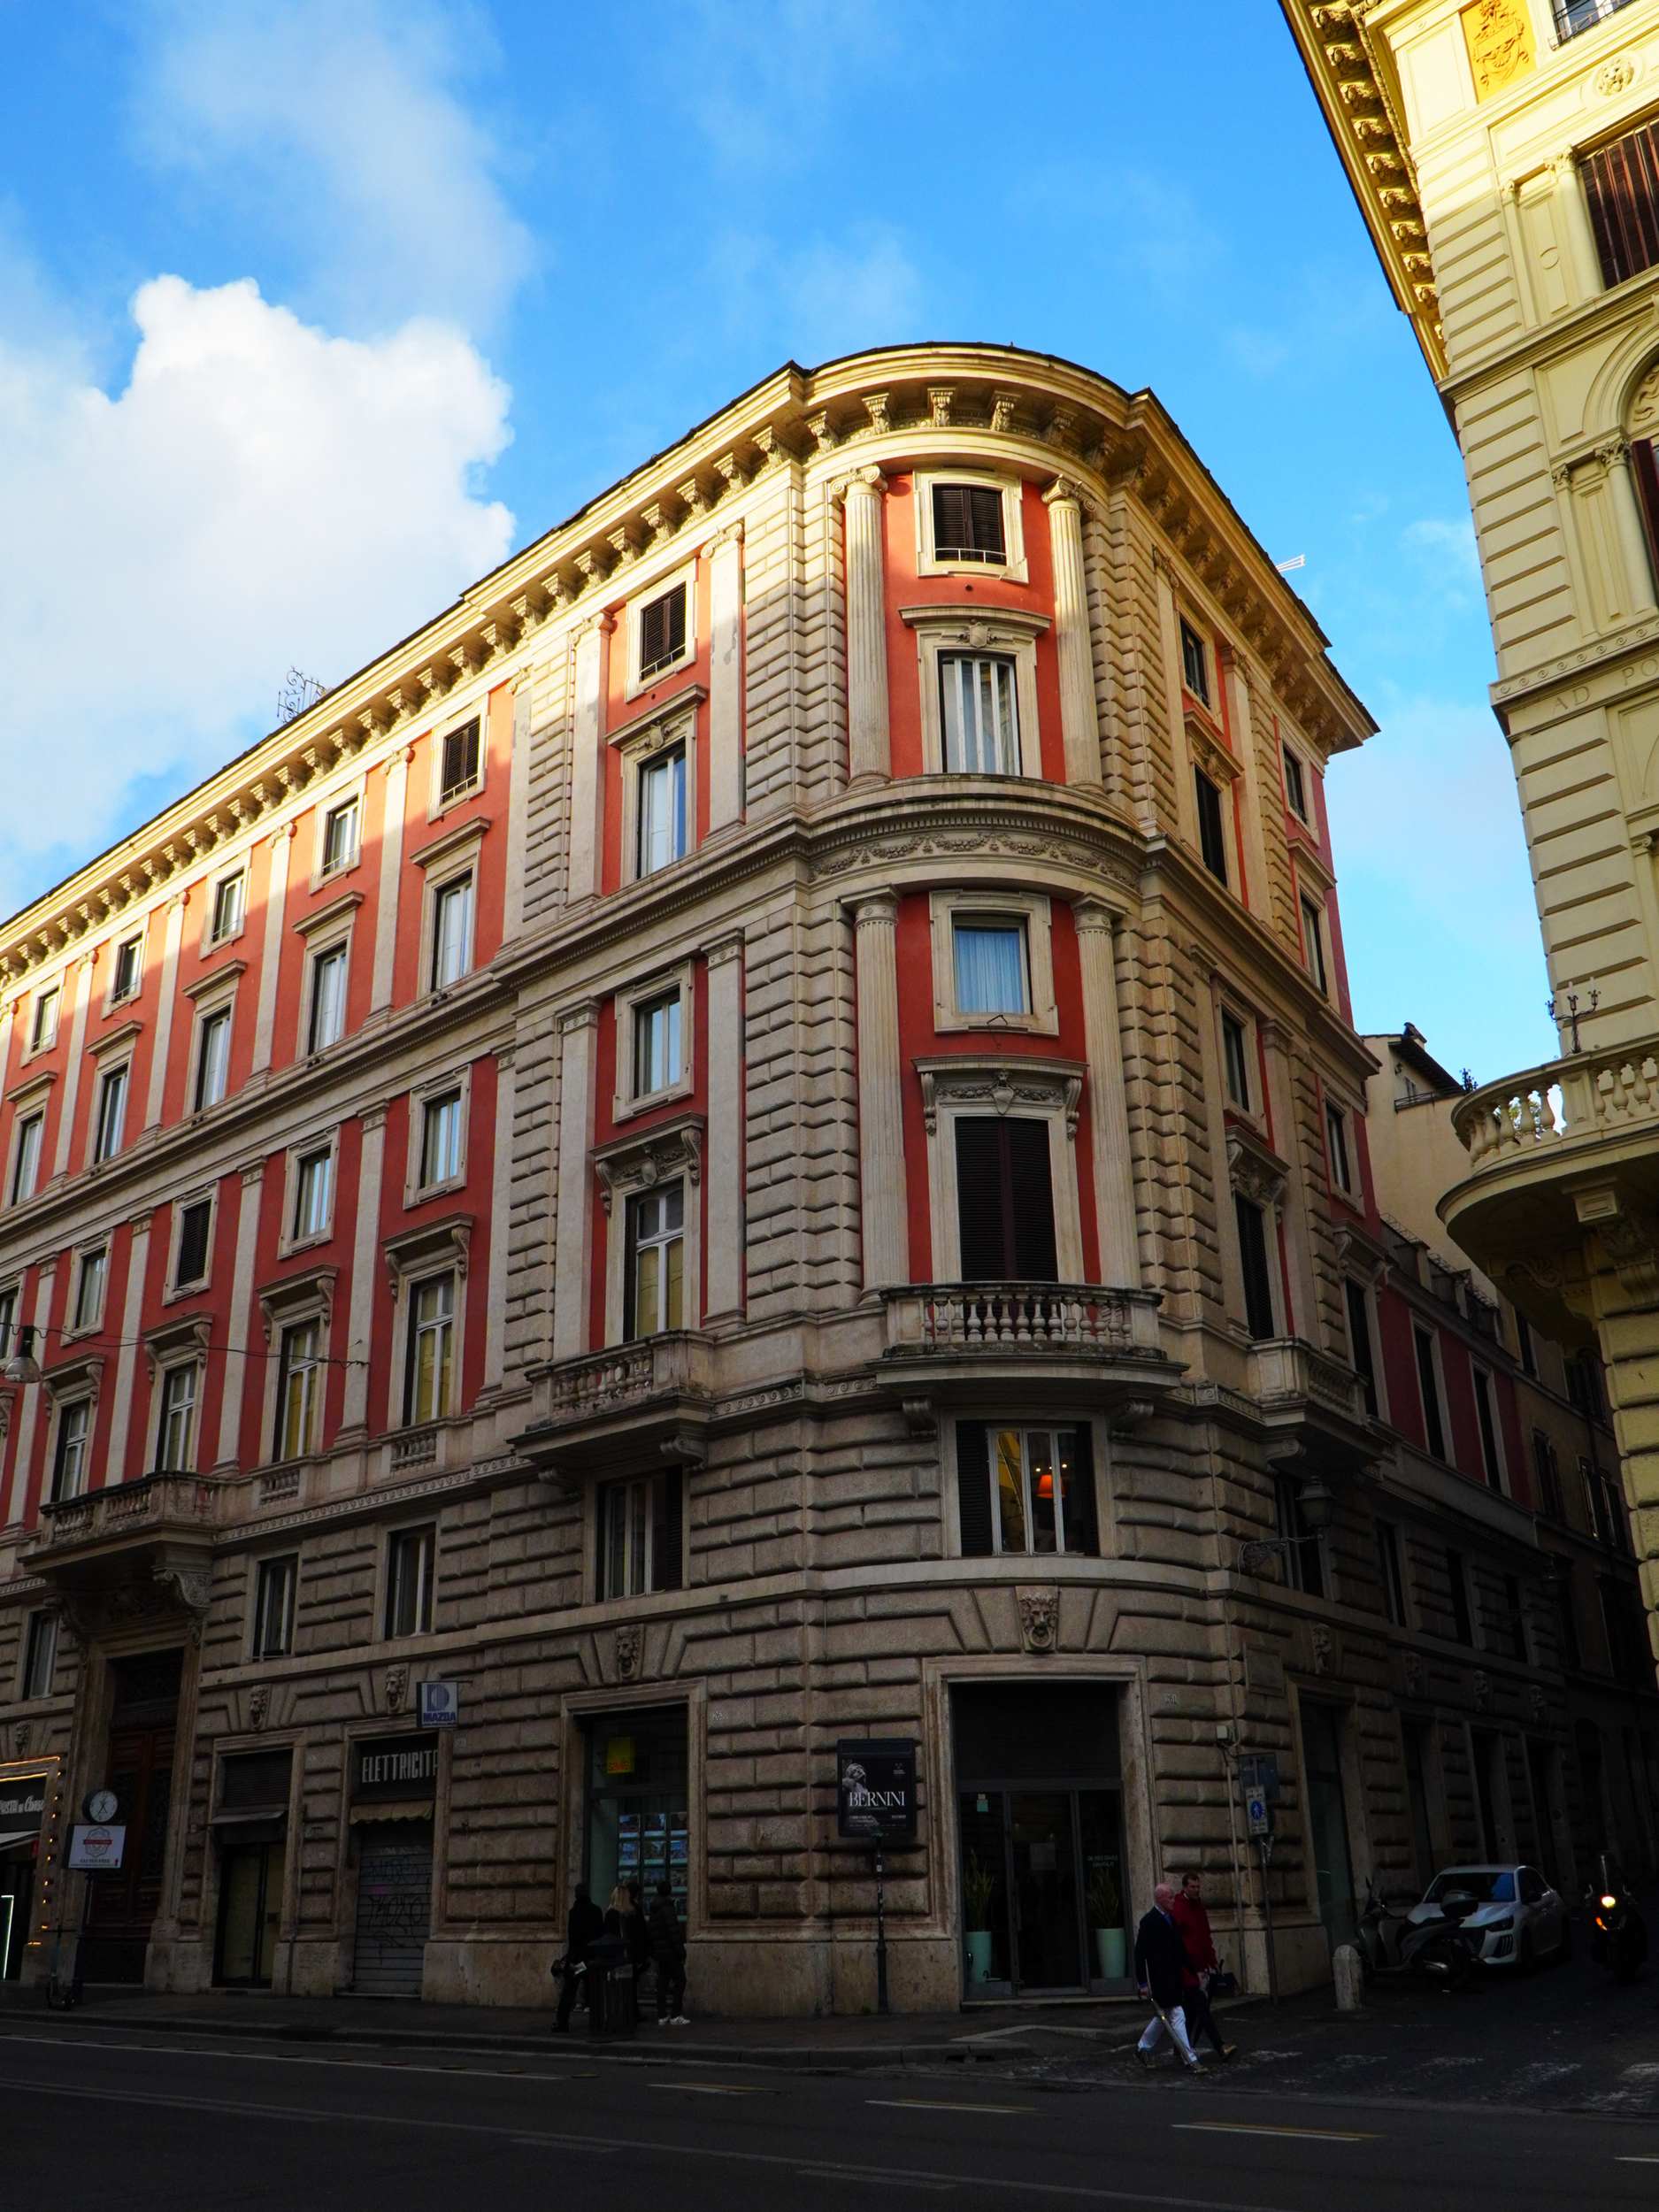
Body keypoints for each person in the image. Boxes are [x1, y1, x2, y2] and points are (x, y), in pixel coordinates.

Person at [1133, 1881, 1203, 2072]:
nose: (1174, 1901)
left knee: (1162, 2016)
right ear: (1160, 1899)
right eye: (1171, 1897)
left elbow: (1180, 1950)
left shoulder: (1170, 1920)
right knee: (1178, 2014)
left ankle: (1142, 2048)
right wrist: (1143, 1983)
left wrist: (1195, 1970)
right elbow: (1139, 1954)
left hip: (1174, 1978)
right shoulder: (1149, 1922)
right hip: (1161, 1979)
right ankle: (1189, 2058)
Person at [1170, 1871, 1237, 2062]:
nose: (1196, 1890)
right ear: (1185, 1887)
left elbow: (1205, 1937)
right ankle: (1219, 2046)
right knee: (1201, 2007)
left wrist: (1213, 1961)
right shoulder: (1179, 1908)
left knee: (1191, 2010)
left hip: (1200, 1967)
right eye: (1192, 1887)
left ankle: (1179, 2048)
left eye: (1198, 1887)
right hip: (1187, 1969)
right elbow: (1175, 1940)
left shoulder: (1199, 1908)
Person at [553, 1881, 604, 2032]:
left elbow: (573, 1939)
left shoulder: (574, 1912)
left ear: (576, 1894)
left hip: (578, 1960)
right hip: (591, 1959)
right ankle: (599, 2022)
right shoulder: (596, 1910)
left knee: (569, 1991)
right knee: (594, 1991)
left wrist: (569, 1961)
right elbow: (599, 1935)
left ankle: (562, 2022)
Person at [649, 1877, 690, 2025]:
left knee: (663, 1983)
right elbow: (674, 1935)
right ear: (670, 1892)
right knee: (681, 1980)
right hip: (670, 1953)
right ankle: (675, 2015)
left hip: (661, 1953)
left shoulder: (654, 1909)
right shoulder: (668, 1909)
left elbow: (652, 1933)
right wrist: (682, 1954)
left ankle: (662, 2015)